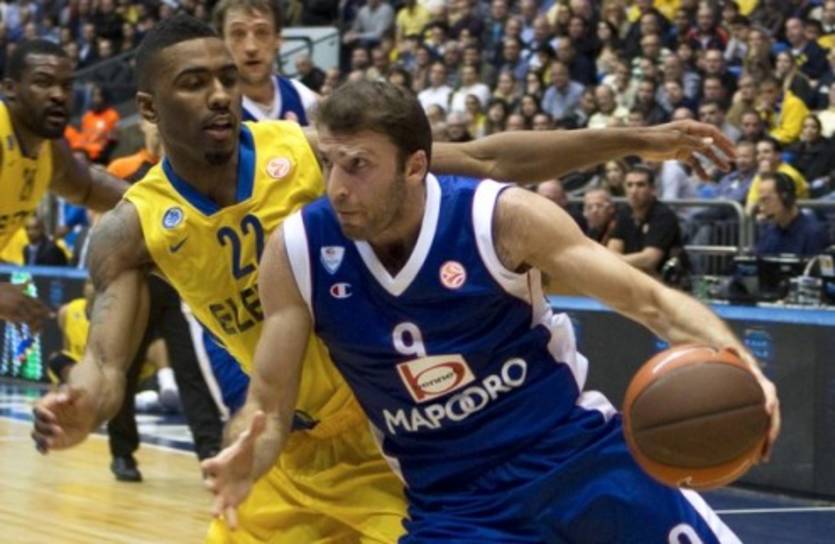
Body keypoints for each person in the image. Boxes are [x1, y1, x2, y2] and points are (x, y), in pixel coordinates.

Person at [30, 14, 746, 543]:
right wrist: (79, 406)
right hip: (278, 442)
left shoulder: (310, 152)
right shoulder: (131, 228)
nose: (221, 94)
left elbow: (488, 160)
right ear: (148, 110)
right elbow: (105, 365)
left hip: (390, 438)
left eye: (226, 78)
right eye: (195, 83)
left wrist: (630, 139)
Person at [201, 80, 779, 543]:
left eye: (358, 165)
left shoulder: (499, 219)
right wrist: (248, 452)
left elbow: (648, 300)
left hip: (577, 458)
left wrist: (738, 361)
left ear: (415, 166)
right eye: (329, 163)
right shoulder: (298, 253)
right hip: (458, 507)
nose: (337, 187)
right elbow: (269, 405)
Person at [0, 39, 127, 329]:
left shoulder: (51, 151)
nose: (58, 95)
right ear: (10, 89)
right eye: (43, 83)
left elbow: (88, 188)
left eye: (67, 86)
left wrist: (162, 206)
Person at [213, 0, 318, 124]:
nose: (251, 48)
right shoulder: (211, 108)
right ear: (221, 43)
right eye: (238, 34)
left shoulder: (301, 95)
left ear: (278, 40)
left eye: (261, 32)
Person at [607, 165, 686, 276]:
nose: (634, 191)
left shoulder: (664, 216)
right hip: (630, 276)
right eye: (629, 185)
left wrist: (616, 261)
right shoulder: (624, 213)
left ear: (652, 189)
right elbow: (612, 250)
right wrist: (614, 260)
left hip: (662, 280)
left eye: (640, 185)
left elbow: (649, 260)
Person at [755, 172, 830, 256]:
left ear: (786, 198)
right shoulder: (769, 233)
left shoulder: (814, 234)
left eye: (766, 200)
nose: (761, 208)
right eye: (760, 201)